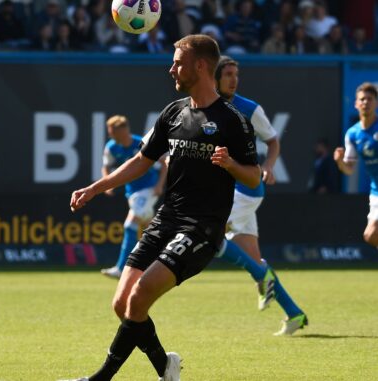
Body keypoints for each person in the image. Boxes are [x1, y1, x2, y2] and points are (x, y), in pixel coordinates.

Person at [66, 34, 260, 381]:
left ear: (200, 65)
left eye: (177, 61)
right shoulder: (173, 111)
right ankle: (164, 367)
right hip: (166, 219)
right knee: (122, 304)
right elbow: (142, 160)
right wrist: (97, 187)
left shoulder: (232, 120)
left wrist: (231, 164)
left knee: (138, 299)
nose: (171, 67)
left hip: (201, 228)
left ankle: (101, 378)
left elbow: (253, 176)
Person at [213, 55, 308, 336]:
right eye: (228, 74)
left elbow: (273, 141)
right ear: (215, 77)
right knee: (256, 260)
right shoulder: (207, 106)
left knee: (211, 237)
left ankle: (261, 277)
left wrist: (268, 166)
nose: (233, 79)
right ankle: (294, 314)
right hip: (229, 190)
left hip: (246, 189)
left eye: (235, 74)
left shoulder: (249, 109)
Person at [99, 115, 167, 279]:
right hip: (133, 193)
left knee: (130, 224)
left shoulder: (141, 142)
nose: (111, 136)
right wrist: (108, 184)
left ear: (123, 130)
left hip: (148, 189)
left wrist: (159, 185)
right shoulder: (112, 147)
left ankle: (121, 268)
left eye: (113, 132)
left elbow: (165, 161)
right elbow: (105, 167)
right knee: (152, 228)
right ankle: (166, 258)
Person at [335, 82, 378, 246]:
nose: (366, 102)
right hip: (376, 191)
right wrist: (340, 161)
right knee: (370, 236)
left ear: (376, 103)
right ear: (356, 104)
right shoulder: (352, 134)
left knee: (372, 231)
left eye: (370, 99)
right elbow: (349, 169)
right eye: (362, 99)